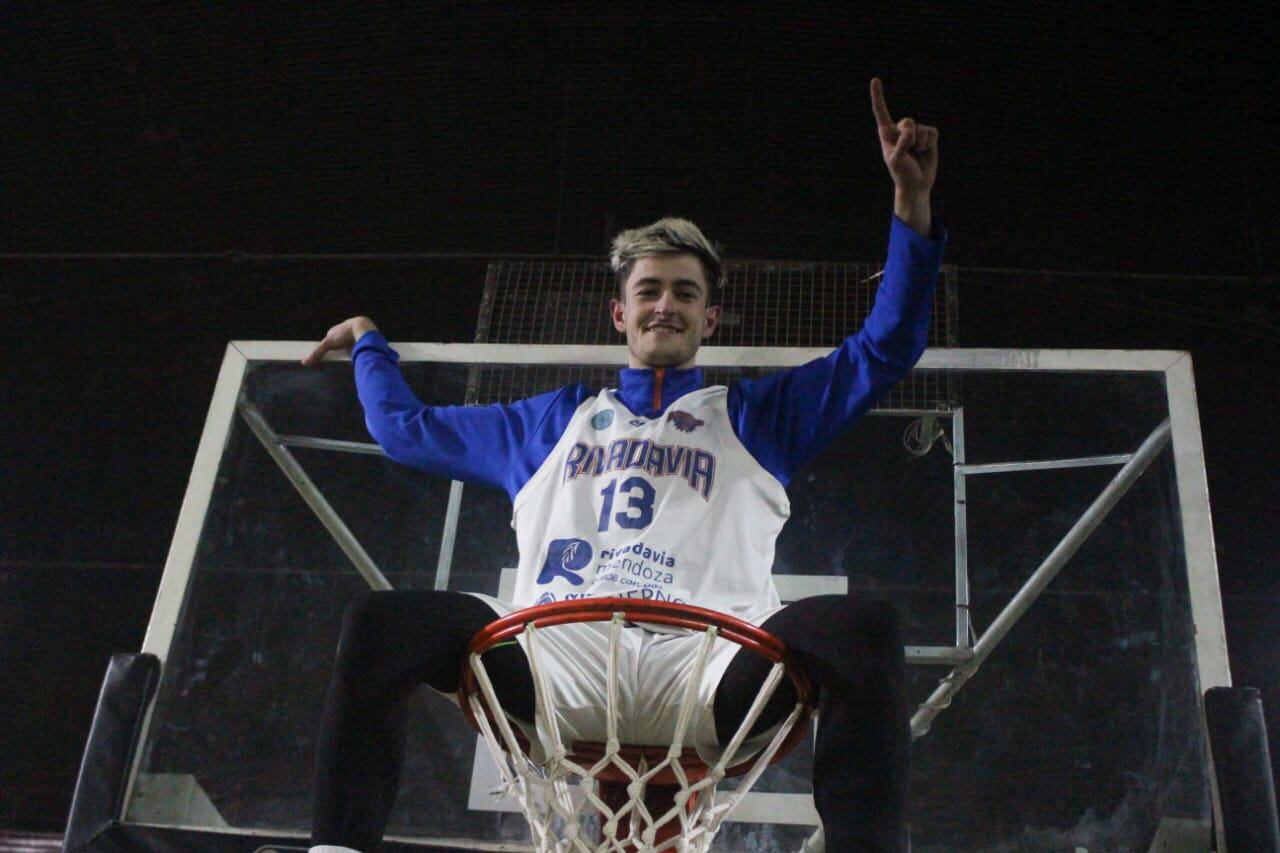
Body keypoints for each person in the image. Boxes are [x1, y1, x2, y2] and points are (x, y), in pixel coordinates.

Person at [302, 78, 944, 853]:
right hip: (560, 667)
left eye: (684, 292)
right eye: (648, 291)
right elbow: (404, 431)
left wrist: (910, 202)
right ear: (621, 313)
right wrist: (370, 341)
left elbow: (885, 347)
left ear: (709, 318)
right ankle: (336, 846)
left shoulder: (756, 419)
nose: (664, 305)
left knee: (861, 628)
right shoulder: (547, 425)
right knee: (382, 621)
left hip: (707, 675)